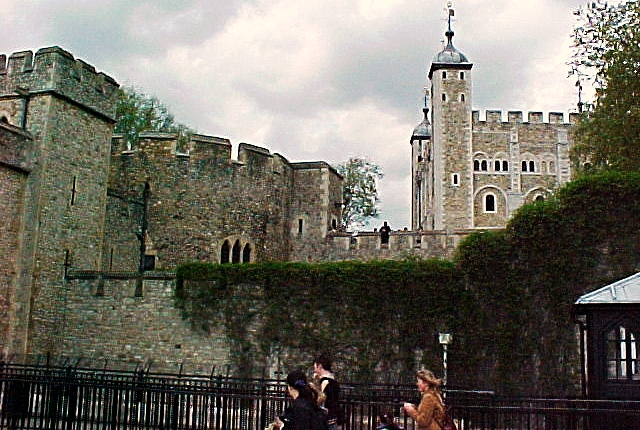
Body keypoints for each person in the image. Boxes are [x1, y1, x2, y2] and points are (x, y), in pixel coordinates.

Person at [313, 354, 342, 429]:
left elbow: (321, 400)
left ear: (320, 367)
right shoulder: (333, 381)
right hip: (334, 418)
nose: (315, 370)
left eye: (315, 368)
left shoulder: (325, 382)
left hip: (327, 420)